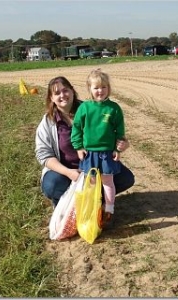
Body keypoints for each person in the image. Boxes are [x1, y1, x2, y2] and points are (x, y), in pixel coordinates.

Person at [34, 76, 134, 220]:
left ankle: (99, 204)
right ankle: (64, 204)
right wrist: (69, 173)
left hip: (97, 164)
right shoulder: (48, 122)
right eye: (57, 93)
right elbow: (43, 154)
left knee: (126, 178)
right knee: (53, 185)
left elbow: (112, 133)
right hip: (67, 171)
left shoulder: (90, 109)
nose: (62, 95)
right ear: (51, 98)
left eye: (65, 90)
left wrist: (123, 144)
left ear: (73, 91)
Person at [70, 69, 126, 228]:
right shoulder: (85, 108)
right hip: (90, 154)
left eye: (103, 87)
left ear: (109, 88)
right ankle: (94, 209)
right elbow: (76, 128)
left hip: (107, 152)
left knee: (108, 181)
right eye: (96, 88)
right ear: (90, 89)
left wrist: (118, 148)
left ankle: (109, 210)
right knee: (92, 183)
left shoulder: (114, 109)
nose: (100, 91)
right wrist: (79, 146)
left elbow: (119, 130)